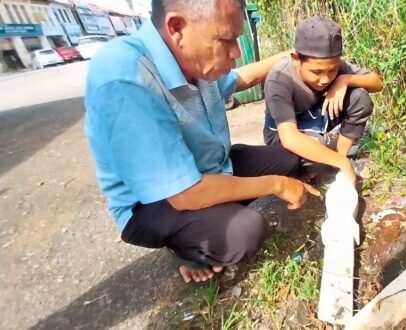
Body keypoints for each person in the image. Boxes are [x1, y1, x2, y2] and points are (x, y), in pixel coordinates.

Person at [84, 0, 319, 284]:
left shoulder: (193, 59)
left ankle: (215, 211)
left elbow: (239, 78)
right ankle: (187, 247)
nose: (236, 53)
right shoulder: (124, 78)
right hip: (154, 204)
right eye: (226, 39)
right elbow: (185, 194)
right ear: (177, 28)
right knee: (244, 232)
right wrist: (276, 184)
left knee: (288, 160)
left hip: (211, 167)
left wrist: (289, 56)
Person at [263, 16, 384, 184]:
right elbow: (290, 138)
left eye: (332, 71)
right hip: (283, 135)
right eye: (317, 72)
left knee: (360, 98)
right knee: (312, 146)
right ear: (296, 59)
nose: (325, 79)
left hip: (319, 120)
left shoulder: (332, 65)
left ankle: (336, 162)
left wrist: (345, 79)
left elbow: (377, 82)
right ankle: (305, 170)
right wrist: (342, 162)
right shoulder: (279, 79)